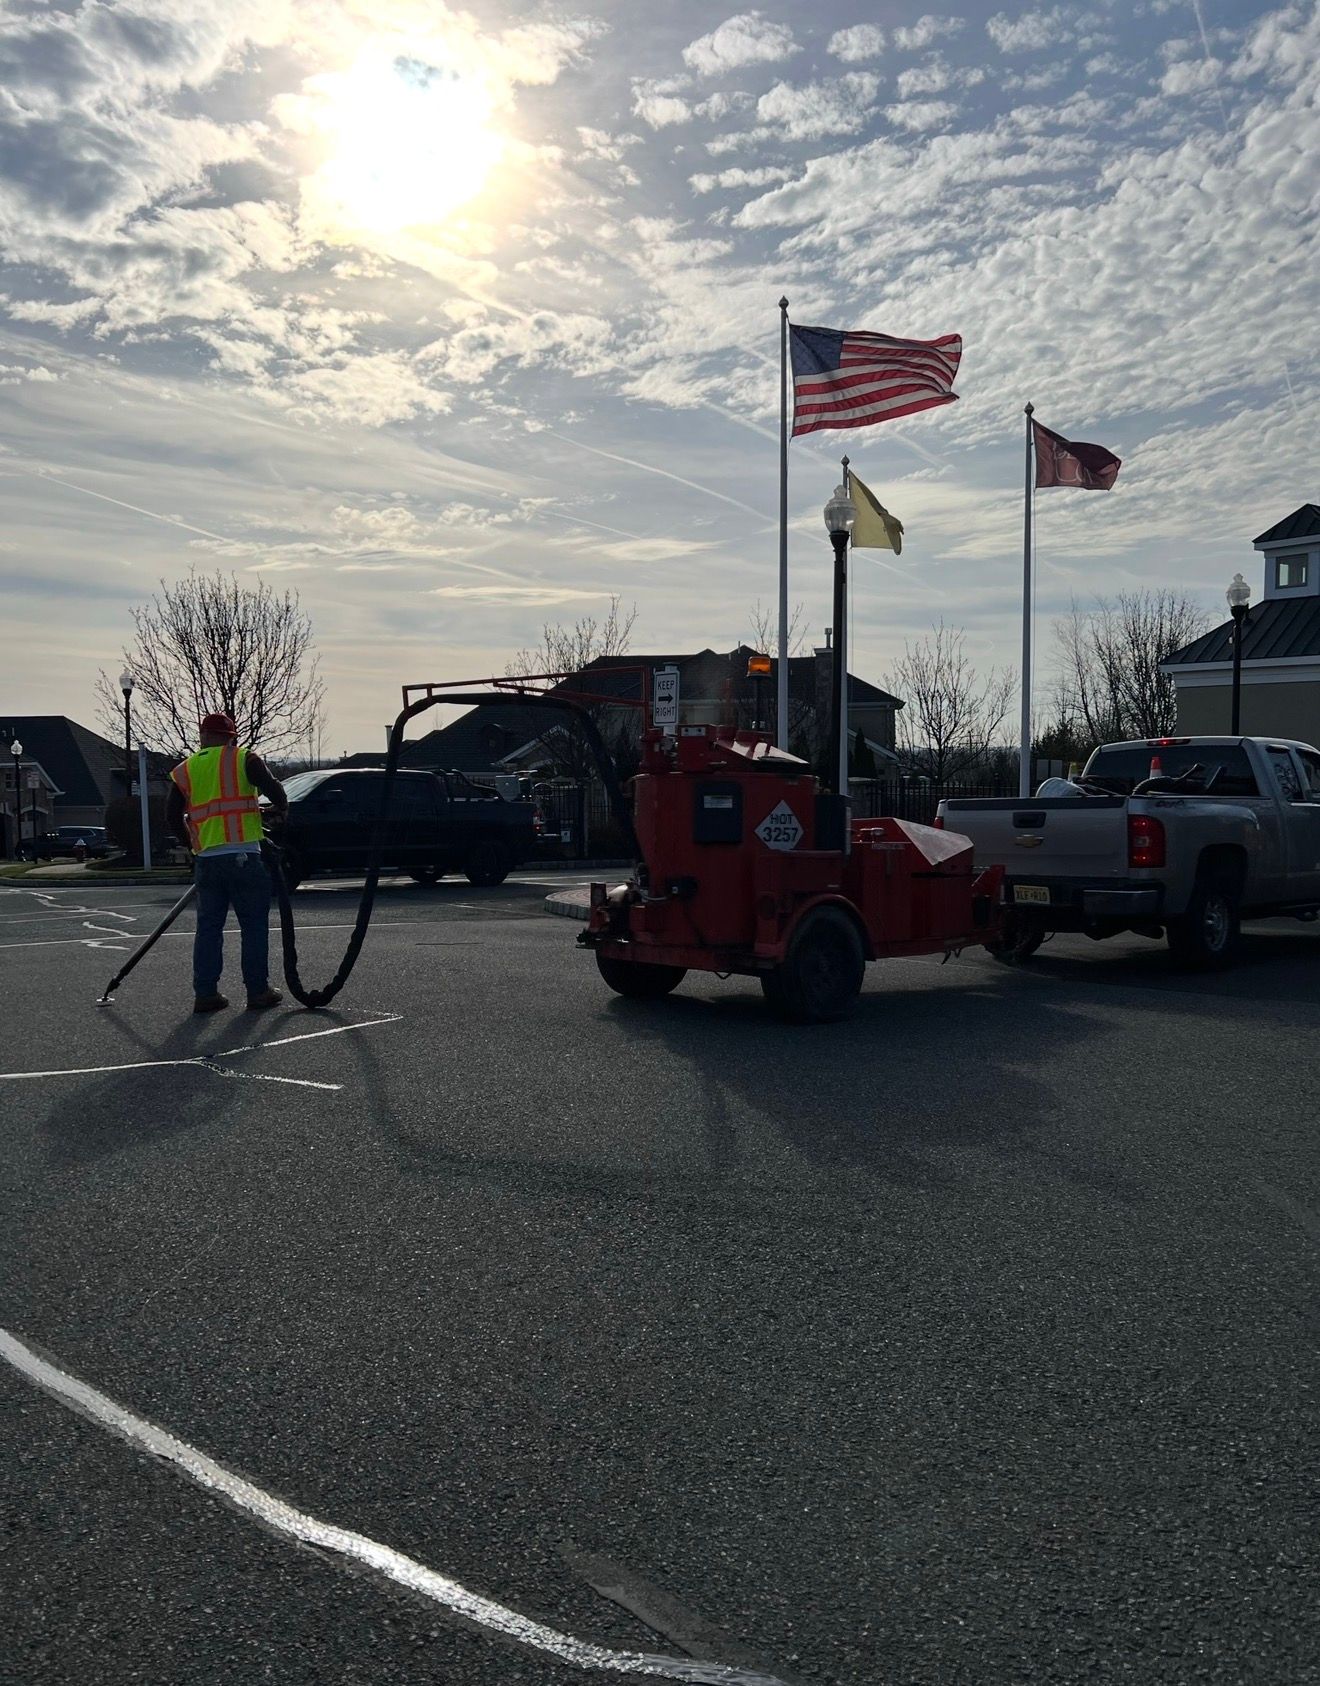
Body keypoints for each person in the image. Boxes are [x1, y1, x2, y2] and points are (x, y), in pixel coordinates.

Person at [167, 712, 288, 1013]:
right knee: (253, 926)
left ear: (203, 736)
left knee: (208, 927)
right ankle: (258, 991)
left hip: (207, 860)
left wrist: (191, 843)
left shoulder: (185, 769)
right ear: (232, 736)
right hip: (244, 856)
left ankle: (206, 993)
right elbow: (274, 790)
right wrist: (281, 810)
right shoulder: (244, 759)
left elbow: (171, 816)